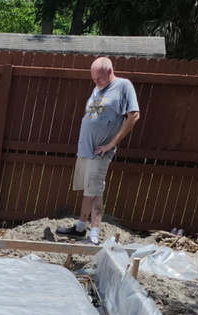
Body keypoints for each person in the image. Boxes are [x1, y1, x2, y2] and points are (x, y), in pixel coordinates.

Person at [57, 57, 141, 245]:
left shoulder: (123, 86)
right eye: (93, 79)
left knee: (95, 191)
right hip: (85, 149)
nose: (96, 82)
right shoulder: (97, 89)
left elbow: (134, 115)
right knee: (88, 190)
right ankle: (80, 228)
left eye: (99, 78)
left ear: (110, 71)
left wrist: (111, 144)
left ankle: (94, 236)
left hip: (100, 151)